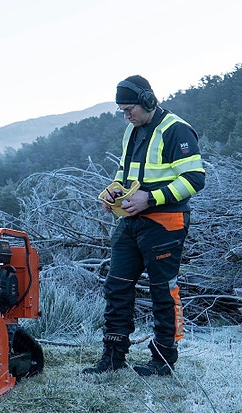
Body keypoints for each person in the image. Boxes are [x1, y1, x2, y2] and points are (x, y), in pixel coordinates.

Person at [83, 75, 205, 376]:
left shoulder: (176, 129)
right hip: (131, 222)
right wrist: (113, 190)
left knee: (163, 291)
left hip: (166, 223)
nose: (126, 116)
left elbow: (194, 179)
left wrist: (150, 199)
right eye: (122, 111)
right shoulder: (132, 130)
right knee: (116, 286)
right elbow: (125, 171)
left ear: (148, 101)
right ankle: (113, 357)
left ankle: (163, 360)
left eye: (129, 109)